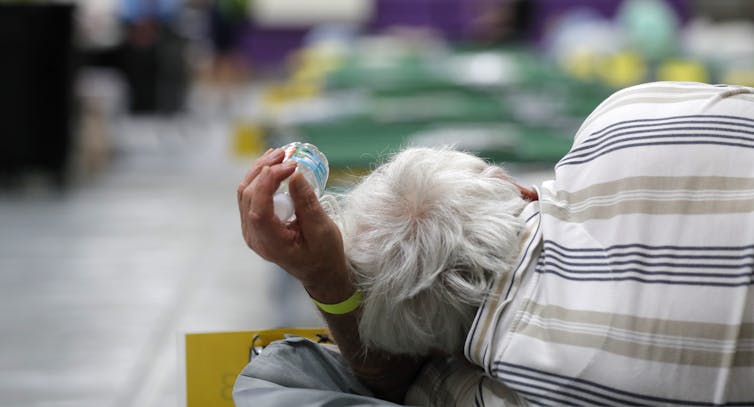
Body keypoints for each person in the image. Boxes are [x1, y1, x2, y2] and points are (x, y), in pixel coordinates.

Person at [235, 81, 754, 406]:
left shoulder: (518, 389)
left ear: (440, 347)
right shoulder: (626, 119)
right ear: (517, 187)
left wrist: (325, 279)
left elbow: (387, 379)